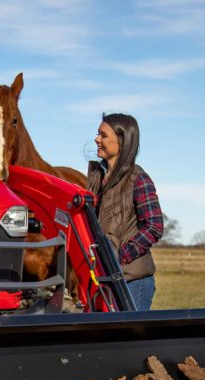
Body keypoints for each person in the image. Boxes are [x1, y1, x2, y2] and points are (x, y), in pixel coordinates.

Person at [87, 113, 163, 310]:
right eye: (98, 134)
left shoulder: (138, 178)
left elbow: (154, 226)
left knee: (128, 340)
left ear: (122, 140)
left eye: (103, 135)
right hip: (104, 279)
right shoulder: (96, 178)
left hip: (133, 282)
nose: (97, 139)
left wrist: (120, 258)